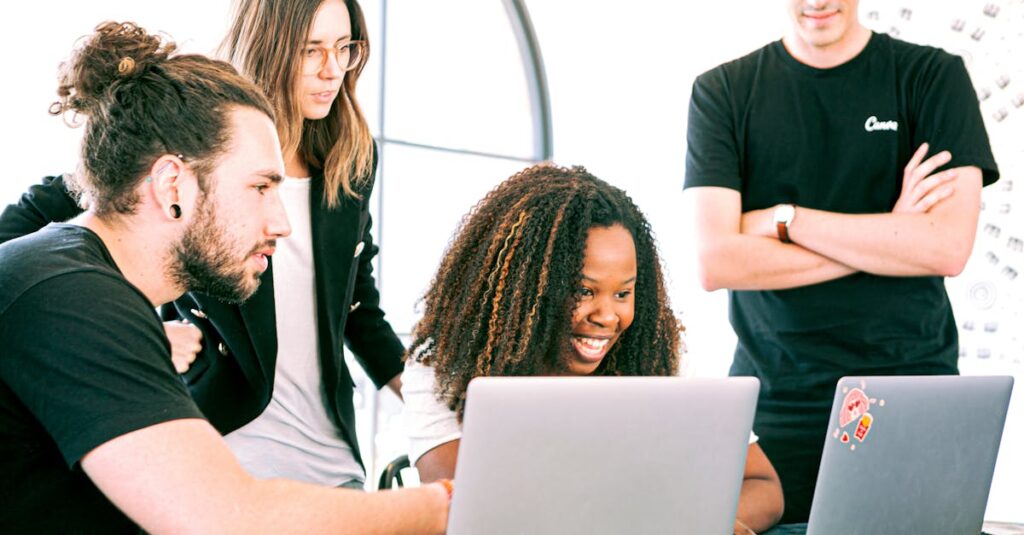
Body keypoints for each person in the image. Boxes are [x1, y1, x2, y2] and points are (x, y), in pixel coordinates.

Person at [0, 21, 448, 533]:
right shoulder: (69, 296)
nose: (281, 224)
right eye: (260, 187)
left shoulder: (88, 285)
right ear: (173, 183)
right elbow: (227, 519)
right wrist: (446, 505)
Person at [683, 0, 999, 524]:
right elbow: (717, 261)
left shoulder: (931, 77)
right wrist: (889, 236)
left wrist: (785, 219)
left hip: (911, 397)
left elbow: (945, 247)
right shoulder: (722, 92)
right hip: (774, 409)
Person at [402, 165, 784, 534]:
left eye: (623, 294)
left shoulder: (655, 355)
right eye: (584, 291)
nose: (607, 316)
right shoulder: (444, 366)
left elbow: (764, 487)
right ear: (528, 289)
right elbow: (461, 515)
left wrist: (698, 524)